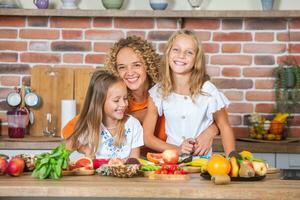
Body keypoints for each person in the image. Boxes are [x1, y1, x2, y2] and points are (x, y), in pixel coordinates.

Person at [62, 35, 219, 155]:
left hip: (165, 168)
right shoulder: (115, 104)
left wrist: (210, 132)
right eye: (122, 67)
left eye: (137, 65)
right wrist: (89, 150)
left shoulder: (163, 96)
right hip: (126, 170)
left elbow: (213, 115)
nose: (129, 73)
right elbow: (71, 130)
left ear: (148, 66)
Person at [143, 29, 235, 156]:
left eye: (189, 52)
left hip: (202, 165)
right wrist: (178, 149)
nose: (181, 55)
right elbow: (147, 138)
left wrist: (232, 158)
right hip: (172, 163)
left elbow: (224, 126)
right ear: (168, 53)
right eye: (176, 50)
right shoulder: (158, 92)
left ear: (196, 59)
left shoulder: (208, 90)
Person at [65, 70, 143, 159]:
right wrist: (84, 149)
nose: (123, 104)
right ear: (100, 102)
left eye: (125, 98)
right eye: (116, 100)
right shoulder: (89, 125)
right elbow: (67, 147)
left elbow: (134, 161)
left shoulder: (133, 125)